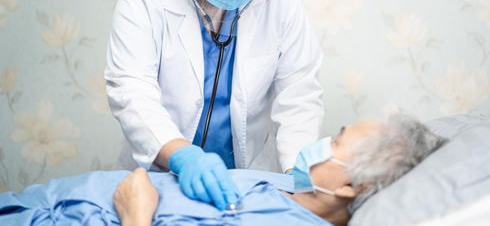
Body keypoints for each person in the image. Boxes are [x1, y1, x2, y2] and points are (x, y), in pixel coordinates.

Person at [104, 0, 324, 211]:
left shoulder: (281, 5)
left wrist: (299, 173)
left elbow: (299, 95)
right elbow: (131, 90)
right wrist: (182, 155)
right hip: (161, 175)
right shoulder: (145, 3)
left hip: (247, 182)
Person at [0, 115, 447, 225]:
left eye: (337, 139)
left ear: (354, 185)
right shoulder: (280, 186)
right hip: (33, 203)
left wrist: (136, 215)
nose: (322, 142)